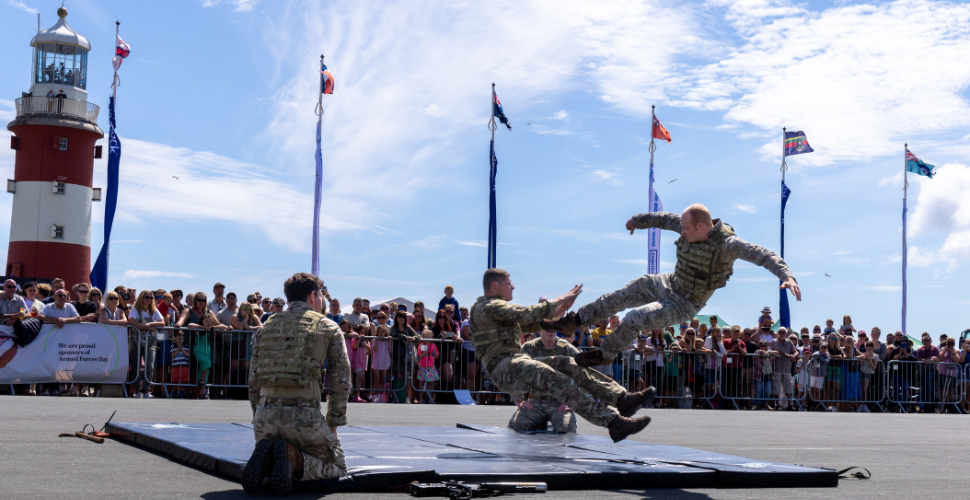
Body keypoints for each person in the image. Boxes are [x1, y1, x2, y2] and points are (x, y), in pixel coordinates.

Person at [541, 204, 801, 369]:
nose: (682, 232)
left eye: (686, 229)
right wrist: (635, 220)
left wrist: (786, 276)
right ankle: (574, 320)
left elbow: (765, 255)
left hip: (685, 302)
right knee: (630, 290)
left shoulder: (729, 245)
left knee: (634, 317)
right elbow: (661, 218)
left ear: (701, 226)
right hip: (669, 282)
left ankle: (606, 353)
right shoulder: (685, 223)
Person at [468, 268, 653, 443]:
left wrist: (561, 309)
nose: (513, 286)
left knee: (568, 364)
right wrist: (562, 298)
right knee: (557, 379)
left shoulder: (497, 313)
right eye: (509, 283)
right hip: (505, 369)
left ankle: (621, 399)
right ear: (495, 285)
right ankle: (614, 423)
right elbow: (525, 314)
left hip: (514, 365)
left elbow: (536, 323)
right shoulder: (487, 307)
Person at [243, 273, 350, 494]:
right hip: (305, 417)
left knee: (272, 449)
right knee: (337, 467)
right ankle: (295, 459)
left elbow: (253, 379)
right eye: (320, 295)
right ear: (313, 296)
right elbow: (341, 379)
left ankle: (271, 460)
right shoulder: (328, 327)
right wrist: (333, 423)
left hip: (265, 415)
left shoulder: (265, 327)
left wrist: (258, 414)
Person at [510, 327, 623, 433]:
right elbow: (515, 372)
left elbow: (584, 374)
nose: (551, 330)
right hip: (536, 402)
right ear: (539, 329)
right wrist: (519, 400)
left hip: (560, 403)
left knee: (567, 429)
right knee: (516, 426)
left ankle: (545, 424)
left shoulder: (567, 349)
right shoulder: (528, 348)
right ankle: (539, 423)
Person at [37, 289, 81, 396]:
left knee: (58, 364)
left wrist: (63, 320)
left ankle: (55, 387)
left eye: (65, 296)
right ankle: (47, 387)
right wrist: (54, 319)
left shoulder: (69, 306)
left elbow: (78, 318)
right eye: (60, 295)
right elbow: (39, 316)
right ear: (54, 297)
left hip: (64, 340)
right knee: (48, 363)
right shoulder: (48, 306)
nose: (62, 297)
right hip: (49, 340)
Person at [128, 291, 165, 399]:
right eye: (146, 297)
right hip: (135, 341)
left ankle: (146, 391)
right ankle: (137, 390)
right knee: (135, 366)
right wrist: (144, 327)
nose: (149, 299)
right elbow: (131, 321)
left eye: (150, 297)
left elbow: (162, 322)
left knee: (149, 365)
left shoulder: (153, 310)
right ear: (141, 298)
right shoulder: (135, 309)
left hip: (150, 341)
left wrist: (151, 324)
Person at [389, 311, 419, 404]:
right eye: (399, 317)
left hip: (407, 356)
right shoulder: (394, 328)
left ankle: (406, 397)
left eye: (403, 317)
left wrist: (413, 338)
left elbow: (418, 336)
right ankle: (398, 397)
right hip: (397, 356)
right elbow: (393, 334)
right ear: (396, 318)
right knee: (399, 377)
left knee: (407, 378)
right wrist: (404, 337)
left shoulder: (408, 328)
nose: (401, 319)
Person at [415, 328, 440, 402]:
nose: (427, 339)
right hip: (423, 366)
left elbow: (437, 356)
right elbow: (419, 356)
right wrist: (424, 352)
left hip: (431, 367)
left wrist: (435, 352)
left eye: (429, 337)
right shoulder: (421, 345)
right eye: (425, 337)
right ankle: (421, 398)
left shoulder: (433, 345)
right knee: (422, 383)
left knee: (430, 383)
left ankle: (430, 398)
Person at [370, 325, 392, 402]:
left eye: (382, 331)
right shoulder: (375, 340)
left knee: (382, 379)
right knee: (376, 378)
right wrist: (377, 340)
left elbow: (390, 351)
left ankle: (380, 396)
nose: (381, 333)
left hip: (385, 361)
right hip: (377, 361)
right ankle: (374, 395)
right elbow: (375, 349)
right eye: (379, 331)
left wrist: (389, 341)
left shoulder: (387, 340)